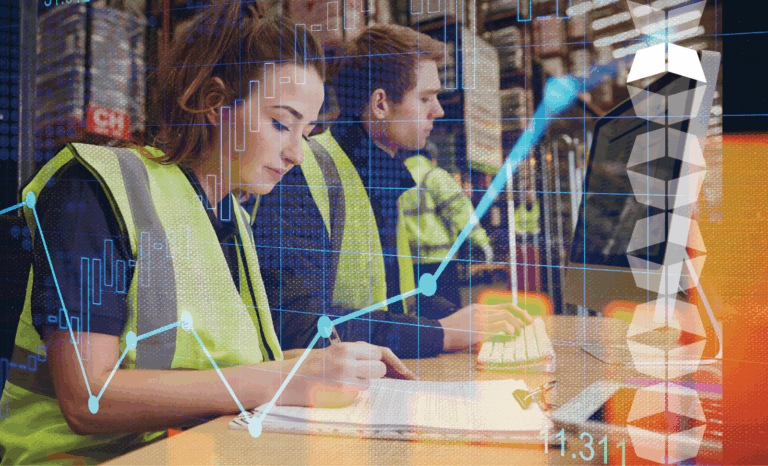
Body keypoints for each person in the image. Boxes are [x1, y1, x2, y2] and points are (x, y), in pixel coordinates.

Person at [0, 4, 413, 465]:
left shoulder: (230, 220)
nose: (296, 152)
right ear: (215, 103)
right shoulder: (96, 186)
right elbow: (87, 397)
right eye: (281, 123)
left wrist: (327, 365)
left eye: (308, 131)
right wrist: (284, 377)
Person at [251, 24, 531, 360]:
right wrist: (444, 333)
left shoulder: (383, 177)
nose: (438, 111)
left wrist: (477, 319)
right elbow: (299, 326)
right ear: (380, 104)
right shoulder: (301, 173)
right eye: (425, 98)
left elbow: (395, 300)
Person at [400, 141, 494, 311]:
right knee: (448, 312)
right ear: (432, 159)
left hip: (410, 261)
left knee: (425, 312)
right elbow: (460, 210)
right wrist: (482, 241)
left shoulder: (398, 175)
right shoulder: (434, 175)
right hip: (439, 259)